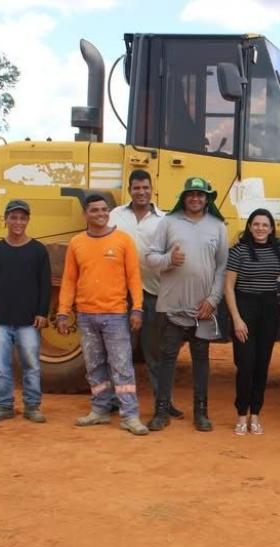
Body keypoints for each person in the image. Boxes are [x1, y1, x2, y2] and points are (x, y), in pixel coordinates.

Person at [56, 194, 147, 435]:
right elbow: (69, 280)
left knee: (122, 367)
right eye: (94, 210)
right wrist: (63, 312)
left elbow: (134, 278)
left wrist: (137, 308)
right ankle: (100, 410)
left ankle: (130, 416)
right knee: (94, 367)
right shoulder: (76, 243)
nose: (100, 214)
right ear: (85, 214)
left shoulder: (123, 240)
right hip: (86, 316)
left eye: (104, 209)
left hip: (115, 315)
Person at [145, 176, 229, 433]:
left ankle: (201, 412)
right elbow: (150, 258)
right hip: (171, 304)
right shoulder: (168, 222)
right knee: (167, 358)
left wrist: (213, 300)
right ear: (183, 197)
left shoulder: (218, 226)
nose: (195, 198)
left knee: (201, 359)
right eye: (190, 194)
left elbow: (222, 268)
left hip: (202, 308)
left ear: (207, 199)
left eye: (200, 195)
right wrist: (169, 259)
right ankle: (161, 411)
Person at [109, 169, 183, 419]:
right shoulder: (115, 216)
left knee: (155, 351)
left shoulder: (165, 220)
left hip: (153, 291)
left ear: (152, 189)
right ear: (129, 190)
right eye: (136, 188)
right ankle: (114, 400)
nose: (141, 192)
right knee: (119, 349)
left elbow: (172, 254)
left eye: (145, 188)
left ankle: (164, 401)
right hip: (120, 293)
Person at [0, 199, 51, 424]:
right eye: (13, 217)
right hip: (0, 321)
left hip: (29, 322)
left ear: (28, 220)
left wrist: (42, 313)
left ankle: (32, 406)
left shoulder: (38, 251)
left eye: (22, 218)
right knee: (1, 368)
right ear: (6, 220)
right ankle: (4, 407)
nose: (18, 222)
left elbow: (45, 285)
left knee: (31, 365)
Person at [224, 208, 280, 435]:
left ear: (271, 229)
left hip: (269, 309)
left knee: (262, 364)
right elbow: (228, 287)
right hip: (244, 307)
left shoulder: (279, 251)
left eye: (265, 225)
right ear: (249, 227)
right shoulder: (238, 251)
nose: (260, 228)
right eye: (256, 224)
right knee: (246, 364)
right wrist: (236, 319)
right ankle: (242, 414)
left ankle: (255, 414)